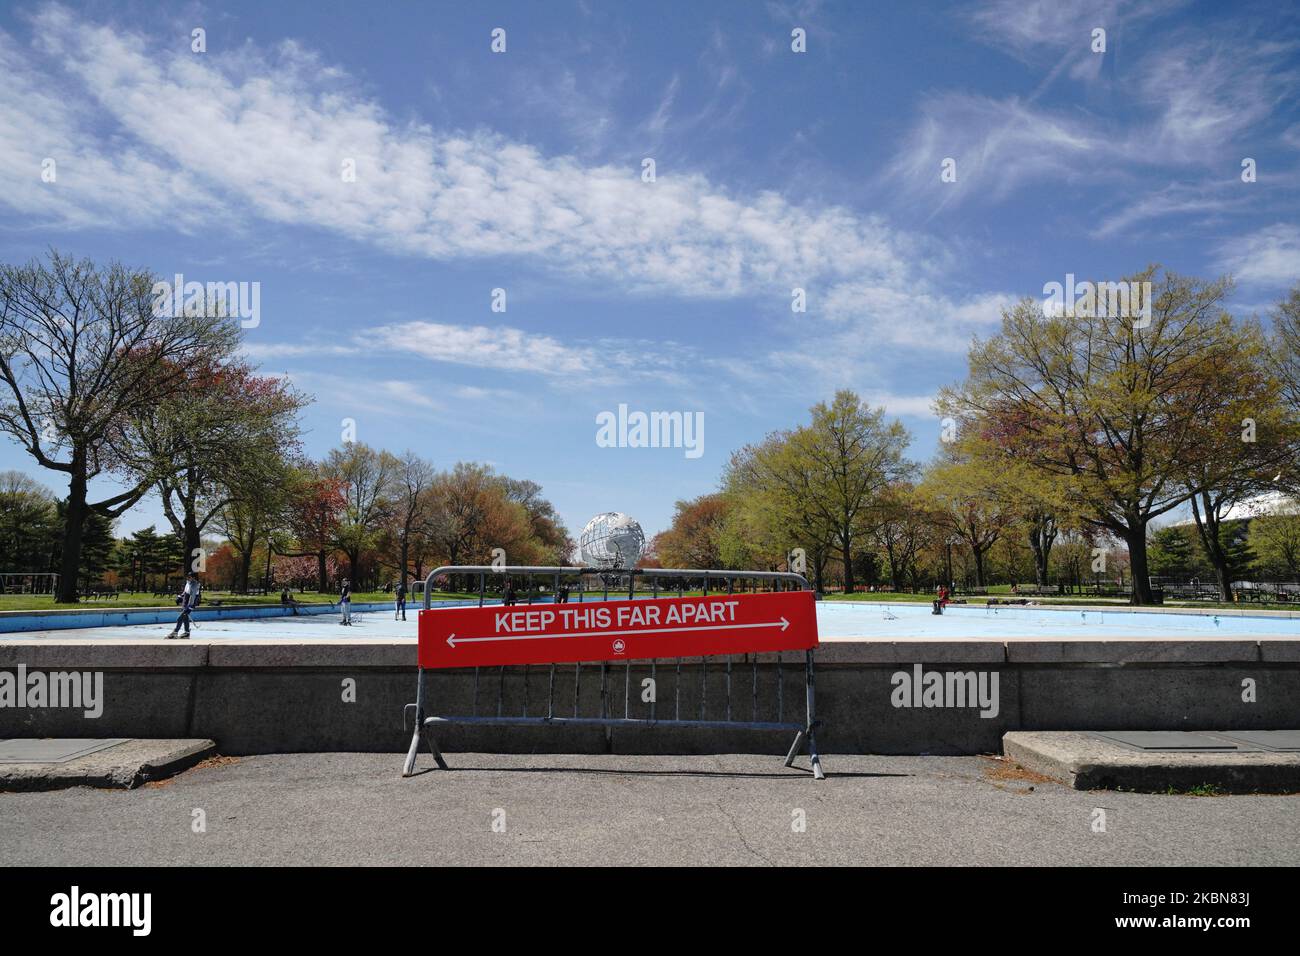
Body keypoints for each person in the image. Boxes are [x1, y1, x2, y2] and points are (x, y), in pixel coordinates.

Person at [167, 573, 201, 639]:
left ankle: (175, 632)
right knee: (185, 617)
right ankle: (187, 633)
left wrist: (190, 605)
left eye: (189, 577)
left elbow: (192, 596)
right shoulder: (188, 582)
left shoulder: (194, 584)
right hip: (186, 602)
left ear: (193, 577)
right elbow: (185, 591)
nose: (188, 578)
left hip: (190, 603)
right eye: (187, 577)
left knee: (180, 618)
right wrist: (181, 596)